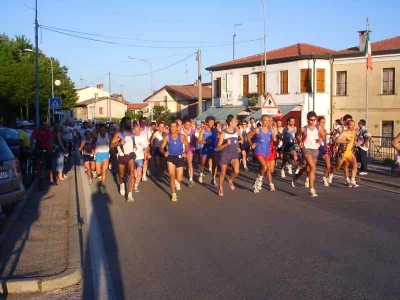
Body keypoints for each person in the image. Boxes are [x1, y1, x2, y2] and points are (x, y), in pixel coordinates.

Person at [292, 111, 326, 197]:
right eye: (311, 120)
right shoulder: (304, 128)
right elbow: (297, 135)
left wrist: (321, 139)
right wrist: (300, 141)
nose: (313, 121)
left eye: (315, 120)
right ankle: (311, 189)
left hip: (315, 149)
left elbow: (323, 135)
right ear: (307, 120)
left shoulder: (319, 127)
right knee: (313, 167)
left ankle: (297, 176)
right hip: (306, 149)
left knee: (308, 168)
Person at [159, 121, 189, 202]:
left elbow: (187, 145)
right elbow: (161, 147)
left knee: (179, 178)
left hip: (179, 157)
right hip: (170, 158)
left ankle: (177, 181)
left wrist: (185, 152)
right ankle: (173, 194)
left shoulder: (182, 136)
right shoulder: (167, 137)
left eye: (174, 126)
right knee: (172, 176)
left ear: (177, 127)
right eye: (171, 127)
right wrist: (164, 152)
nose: (172, 128)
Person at [248, 115, 278, 193]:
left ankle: (256, 183)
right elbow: (248, 135)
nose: (267, 122)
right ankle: (259, 182)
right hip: (258, 151)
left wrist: (275, 139)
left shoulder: (271, 130)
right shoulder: (258, 130)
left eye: (269, 120)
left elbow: (274, 138)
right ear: (261, 121)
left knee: (265, 169)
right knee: (264, 167)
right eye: (266, 120)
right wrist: (251, 144)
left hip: (267, 152)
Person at [111, 117, 136, 202]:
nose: (130, 124)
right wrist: (119, 143)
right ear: (124, 123)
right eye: (129, 123)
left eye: (131, 122)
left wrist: (135, 146)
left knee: (132, 174)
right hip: (122, 156)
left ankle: (130, 195)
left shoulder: (132, 132)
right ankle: (121, 184)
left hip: (131, 155)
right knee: (121, 175)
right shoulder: (118, 133)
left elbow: (133, 142)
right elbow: (111, 145)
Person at [328, 120, 359, 188]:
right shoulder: (344, 132)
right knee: (338, 167)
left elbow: (354, 139)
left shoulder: (353, 132)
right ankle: (331, 173)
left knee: (355, 165)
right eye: (351, 125)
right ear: (347, 126)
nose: (353, 126)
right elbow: (337, 140)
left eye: (353, 125)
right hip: (342, 153)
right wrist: (346, 141)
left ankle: (352, 181)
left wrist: (355, 142)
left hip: (350, 153)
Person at [216, 116, 241, 196]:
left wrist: (238, 147)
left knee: (236, 172)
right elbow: (217, 148)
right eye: (235, 122)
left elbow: (236, 142)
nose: (237, 123)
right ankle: (220, 187)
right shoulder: (223, 133)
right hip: (225, 154)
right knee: (223, 173)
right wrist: (226, 144)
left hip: (234, 154)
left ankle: (230, 180)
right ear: (230, 123)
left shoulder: (237, 131)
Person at [31, 120, 56, 185]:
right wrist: (32, 146)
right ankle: (37, 169)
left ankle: (51, 179)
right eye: (44, 125)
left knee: (49, 163)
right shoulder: (36, 130)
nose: (46, 126)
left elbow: (50, 139)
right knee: (36, 157)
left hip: (47, 147)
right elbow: (32, 138)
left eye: (47, 125)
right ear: (41, 125)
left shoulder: (48, 131)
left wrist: (50, 147)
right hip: (39, 147)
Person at [197, 116, 218, 185]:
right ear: (206, 123)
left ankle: (213, 178)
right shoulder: (203, 130)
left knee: (215, 163)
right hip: (205, 149)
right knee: (203, 164)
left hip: (213, 149)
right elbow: (198, 141)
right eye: (210, 122)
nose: (212, 123)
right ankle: (200, 174)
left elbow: (220, 137)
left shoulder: (215, 130)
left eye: (213, 122)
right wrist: (205, 142)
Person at [133, 123, 151, 193]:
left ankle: (136, 186)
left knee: (139, 172)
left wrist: (148, 153)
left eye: (138, 130)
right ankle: (133, 179)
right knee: (134, 173)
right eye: (136, 130)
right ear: (133, 130)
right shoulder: (131, 137)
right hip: (131, 157)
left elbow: (146, 147)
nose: (137, 131)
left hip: (140, 157)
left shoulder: (143, 137)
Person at [92, 123, 110, 193]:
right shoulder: (96, 136)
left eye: (104, 130)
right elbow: (93, 143)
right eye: (101, 130)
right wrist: (93, 150)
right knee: (99, 172)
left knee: (104, 170)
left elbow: (111, 144)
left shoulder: (108, 136)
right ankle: (99, 175)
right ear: (99, 130)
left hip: (106, 154)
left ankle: (102, 186)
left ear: (106, 130)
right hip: (98, 154)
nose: (103, 132)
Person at [182, 117, 196, 187]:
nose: (187, 126)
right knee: (181, 164)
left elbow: (194, 139)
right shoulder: (181, 131)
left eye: (189, 125)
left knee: (190, 163)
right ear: (183, 124)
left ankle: (191, 179)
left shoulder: (193, 131)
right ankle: (179, 177)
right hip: (182, 149)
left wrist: (194, 146)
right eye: (186, 125)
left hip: (190, 148)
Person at [138, 117, 152, 181]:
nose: (143, 123)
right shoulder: (137, 128)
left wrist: (148, 146)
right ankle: (138, 173)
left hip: (145, 147)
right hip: (138, 148)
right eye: (142, 122)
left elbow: (149, 138)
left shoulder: (147, 129)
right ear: (139, 122)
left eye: (144, 122)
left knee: (146, 161)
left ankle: (144, 175)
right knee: (138, 161)